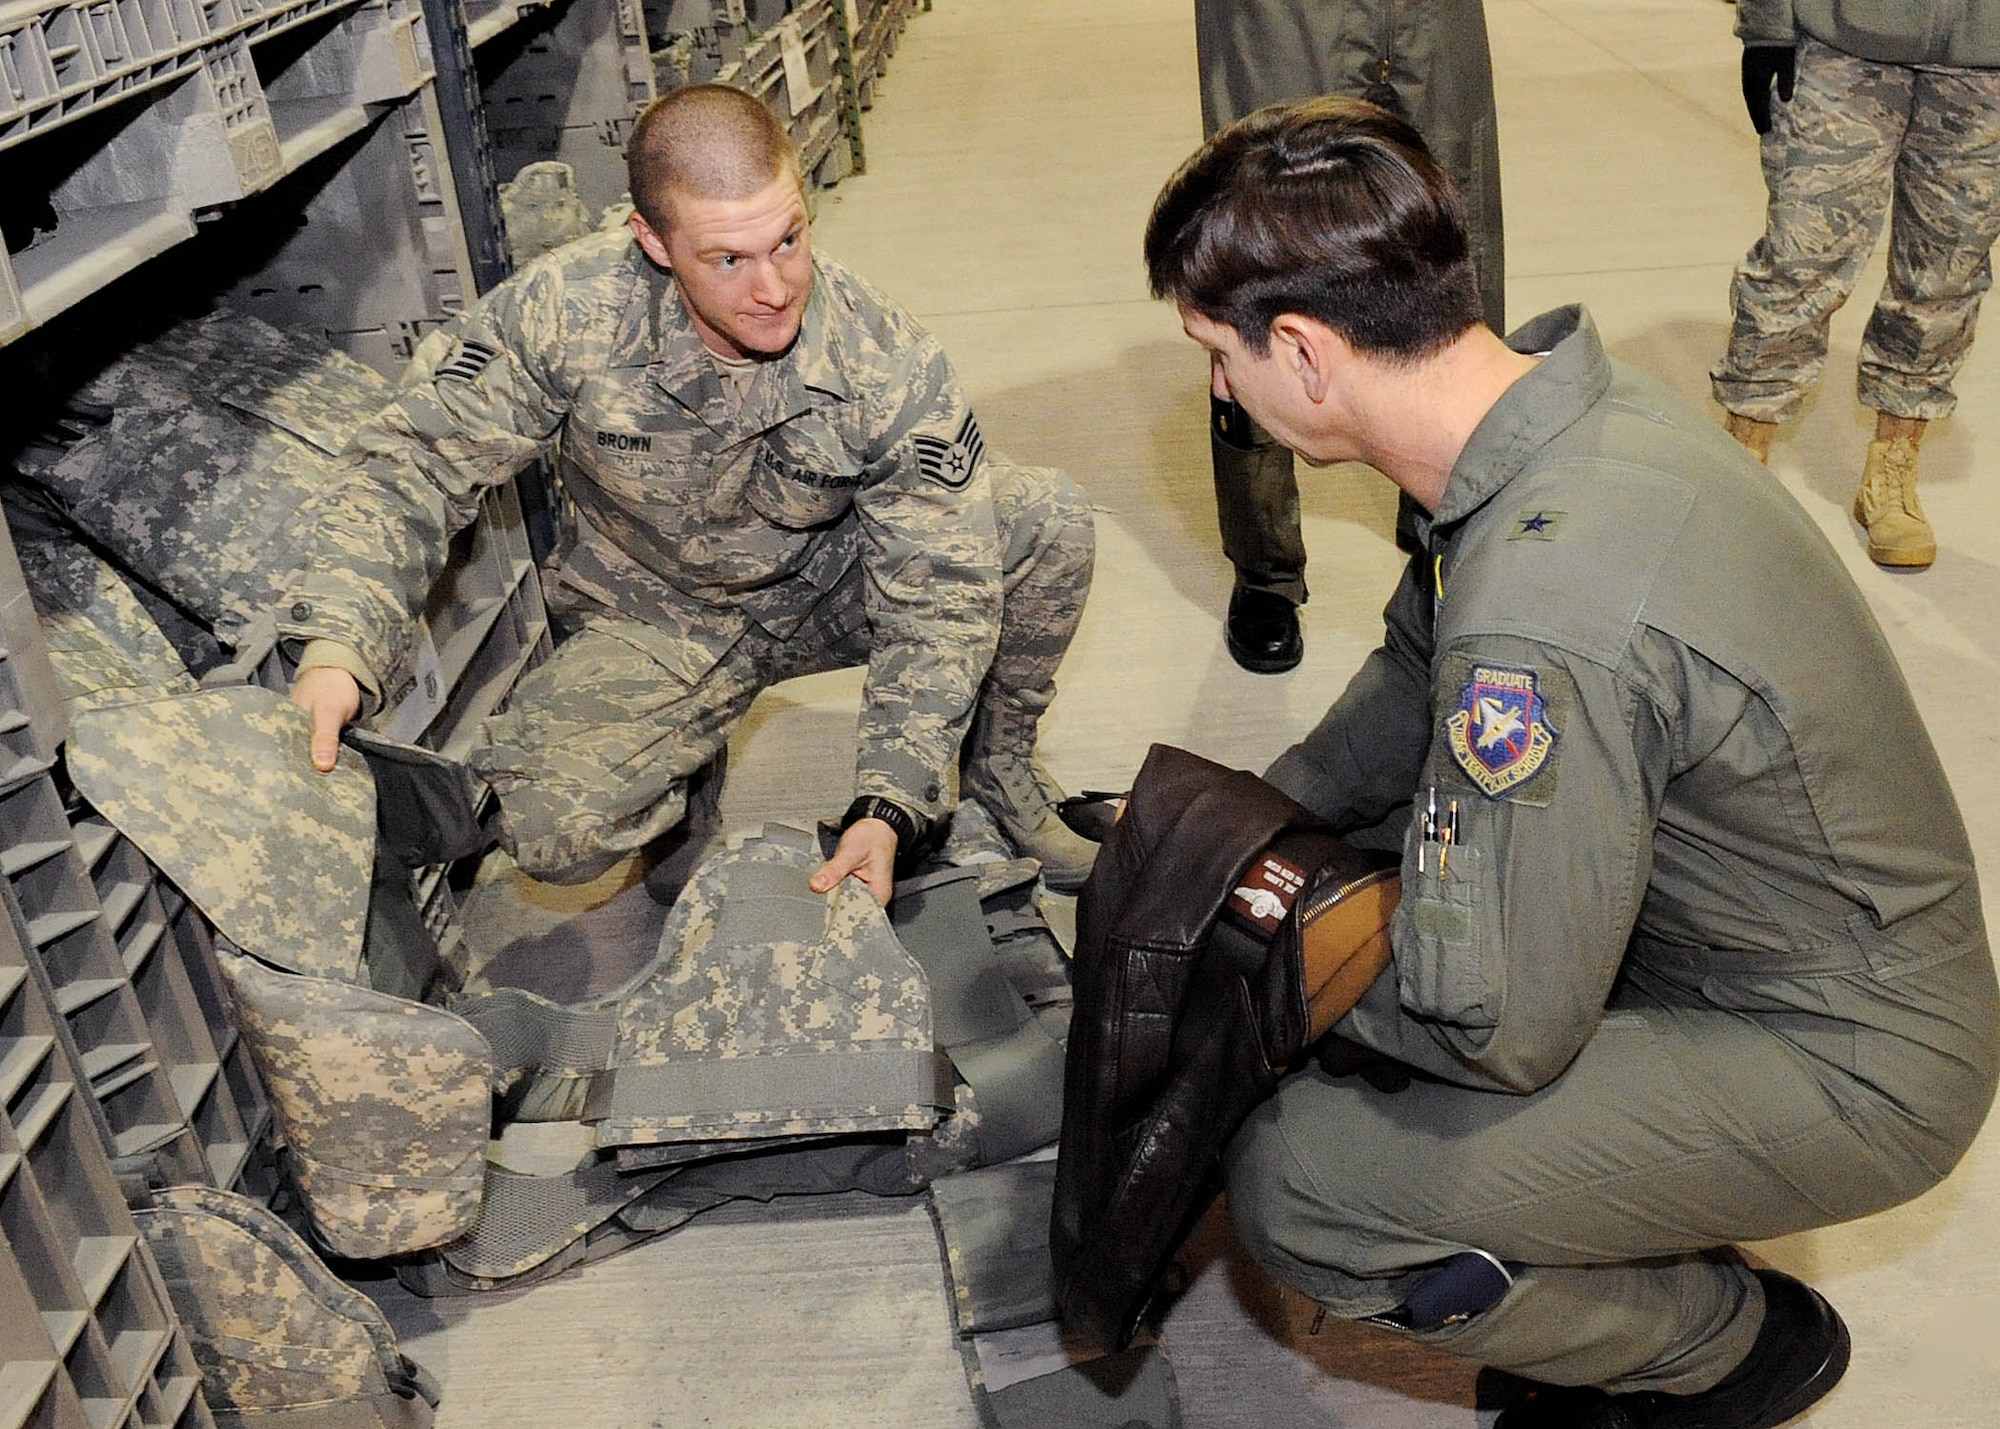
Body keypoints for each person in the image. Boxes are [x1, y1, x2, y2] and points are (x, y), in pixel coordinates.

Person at [1145, 97, 1997, 1427]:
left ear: (1305, 353)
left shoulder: (1541, 612)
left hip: (1845, 1053)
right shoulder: (1535, 427)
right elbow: (1400, 692)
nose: (1219, 391)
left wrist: (1280, 971)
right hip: (1749, 938)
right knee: (1354, 935)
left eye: (1218, 354)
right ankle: (1622, 1205)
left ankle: (1719, 1345)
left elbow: (1498, 1025)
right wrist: (1252, 833)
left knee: (1306, 1181)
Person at [282, 85, 1098, 903]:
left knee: (1043, 515)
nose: (775, 287)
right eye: (729, 259)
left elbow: (936, 596)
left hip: (831, 589)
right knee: (550, 826)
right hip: (656, 614)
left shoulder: (884, 359)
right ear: (654, 240)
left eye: (788, 240)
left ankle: (997, 767)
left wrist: (891, 799)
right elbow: (413, 463)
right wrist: (339, 645)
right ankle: (683, 775)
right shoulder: (569, 312)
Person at [1192, 0, 1504, 672]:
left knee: (1453, 233)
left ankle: (1458, 532)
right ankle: (1265, 569)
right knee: (1264, 246)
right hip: (1283, 17)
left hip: (1430, 15)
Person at [1712, 1, 2000, 569]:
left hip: (1988, 63)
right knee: (1801, 257)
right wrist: (1767, 24)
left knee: (1946, 270)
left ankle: (1893, 469)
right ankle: (1743, 458)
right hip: (1841, 46)